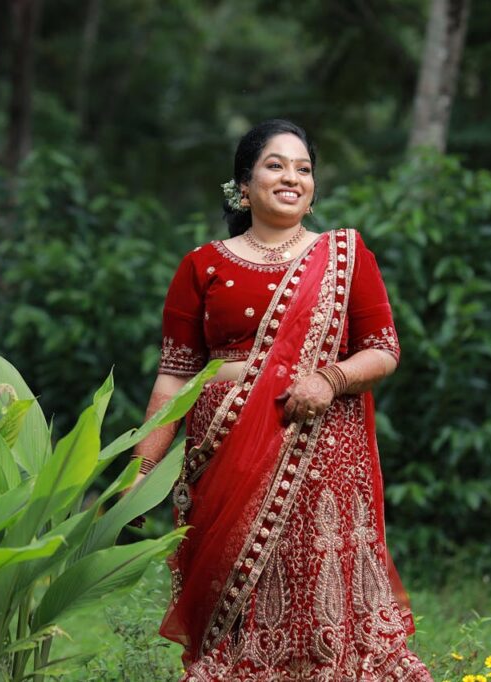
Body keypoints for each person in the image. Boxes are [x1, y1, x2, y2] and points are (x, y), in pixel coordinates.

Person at [127, 119, 433, 680]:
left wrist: (330, 380)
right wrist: (139, 475)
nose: (292, 177)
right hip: (223, 452)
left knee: (313, 571)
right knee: (233, 579)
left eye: (304, 168)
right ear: (242, 187)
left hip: (318, 444)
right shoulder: (202, 265)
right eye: (275, 164)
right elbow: (173, 378)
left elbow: (384, 349)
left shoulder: (344, 256)